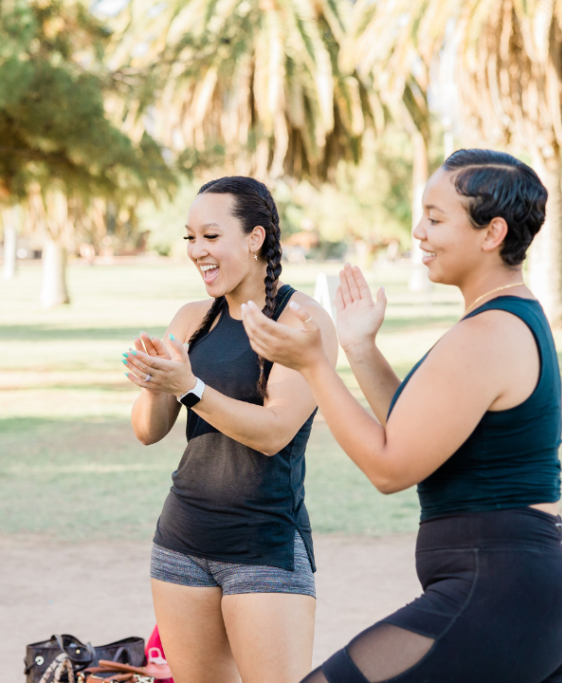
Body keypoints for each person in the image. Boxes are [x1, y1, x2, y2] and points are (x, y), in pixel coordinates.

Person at [242, 149, 562, 683]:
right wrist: (359, 348)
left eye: (435, 216)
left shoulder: (485, 335)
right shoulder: (508, 316)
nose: (418, 231)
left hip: (498, 589)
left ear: (491, 232)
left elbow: (391, 468)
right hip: (527, 589)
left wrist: (314, 365)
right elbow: (418, 435)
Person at [124, 176, 337, 683]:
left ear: (255, 238)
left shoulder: (302, 320)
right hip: (180, 543)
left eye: (211, 236)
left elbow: (274, 431)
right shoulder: (191, 317)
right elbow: (147, 431)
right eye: (190, 238)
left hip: (264, 550)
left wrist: (189, 384)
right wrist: (157, 384)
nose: (197, 250)